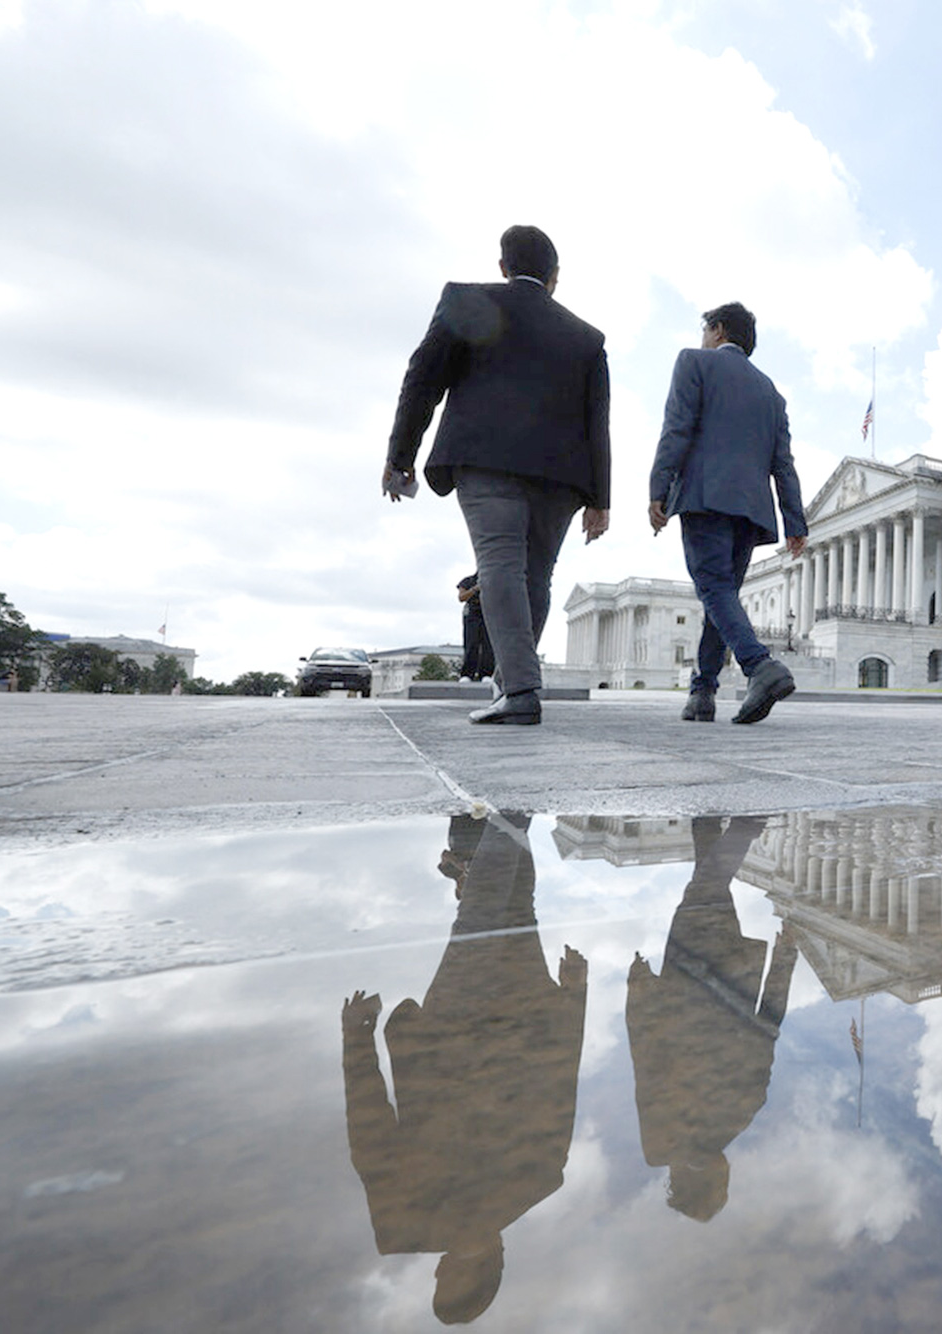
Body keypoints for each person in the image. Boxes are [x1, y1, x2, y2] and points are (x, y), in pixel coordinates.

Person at [341, 814, 588, 1323]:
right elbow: (368, 1126)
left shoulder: (541, 1183)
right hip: (467, 1030)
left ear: (497, 1263)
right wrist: (356, 1039)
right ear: (445, 1273)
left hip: (505, 1022)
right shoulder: (402, 1224)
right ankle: (490, 820)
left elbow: (563, 1079)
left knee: (498, 910)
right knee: (502, 909)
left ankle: (506, 809)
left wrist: (574, 998)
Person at [385, 225, 611, 725]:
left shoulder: (467, 300)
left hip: (485, 457)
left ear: (503, 266)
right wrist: (600, 499)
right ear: (555, 277)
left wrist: (401, 453)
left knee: (499, 565)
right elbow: (599, 421)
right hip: (562, 475)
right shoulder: (587, 337)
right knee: (536, 575)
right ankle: (512, 684)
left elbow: (423, 378)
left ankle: (521, 689)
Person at [626, 816, 797, 1220]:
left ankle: (740, 827)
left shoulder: (737, 1117)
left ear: (718, 1177)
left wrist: (784, 960)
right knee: (707, 892)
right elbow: (644, 1054)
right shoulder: (659, 1141)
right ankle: (712, 827)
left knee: (707, 892)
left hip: (727, 978)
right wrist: (639, 991)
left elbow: (767, 1028)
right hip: (682, 984)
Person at [648, 303, 807, 724]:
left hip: (704, 495)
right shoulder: (771, 393)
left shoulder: (693, 362)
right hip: (752, 510)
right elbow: (783, 463)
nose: (703, 337)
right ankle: (702, 693)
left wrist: (658, 488)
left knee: (714, 589)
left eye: (706, 329)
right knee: (721, 596)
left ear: (717, 330)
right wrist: (795, 522)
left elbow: (676, 428)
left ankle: (760, 665)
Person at [456, 573, 495, 683]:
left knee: (488, 644)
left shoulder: (493, 579)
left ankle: (486, 674)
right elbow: (461, 597)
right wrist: (475, 589)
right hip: (472, 614)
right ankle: (467, 674)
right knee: (471, 643)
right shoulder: (468, 581)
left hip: (489, 612)